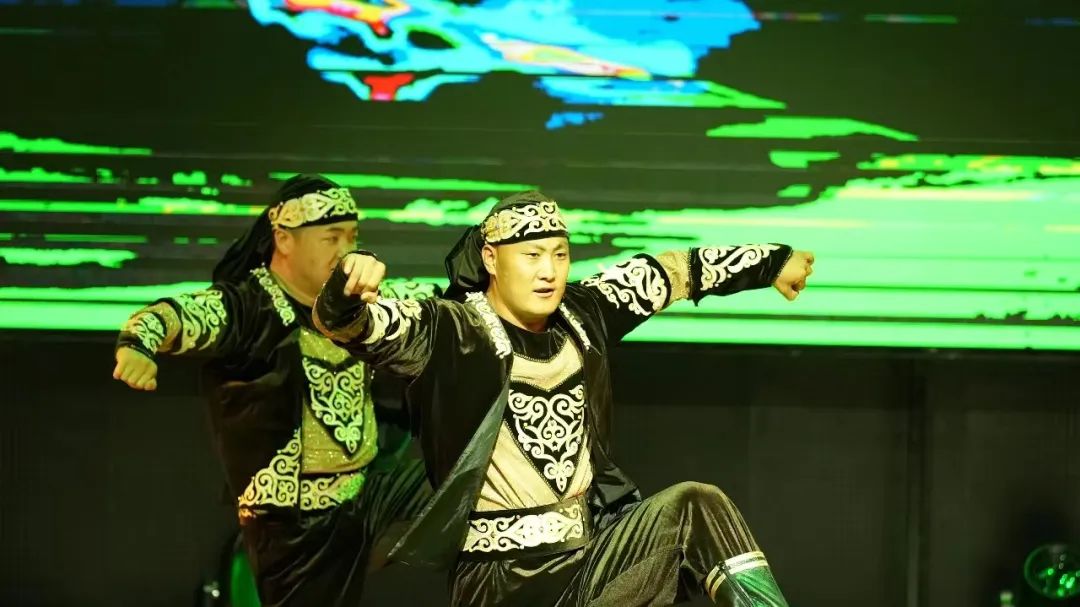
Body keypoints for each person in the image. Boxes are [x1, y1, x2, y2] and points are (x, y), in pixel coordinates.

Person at [313, 190, 814, 606]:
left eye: (559, 254)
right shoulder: (449, 330)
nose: (549, 271)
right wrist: (344, 290)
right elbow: (355, 326)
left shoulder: (584, 311)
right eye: (532, 256)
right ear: (491, 259)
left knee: (697, 504)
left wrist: (772, 261)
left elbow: (671, 273)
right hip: (499, 581)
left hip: (587, 563)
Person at [111, 174, 433, 607]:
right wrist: (137, 345)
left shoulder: (356, 302)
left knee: (474, 478)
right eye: (331, 237)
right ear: (283, 239)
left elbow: (428, 303)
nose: (346, 251)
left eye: (352, 237)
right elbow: (173, 316)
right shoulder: (248, 307)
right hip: (294, 524)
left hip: (369, 494)